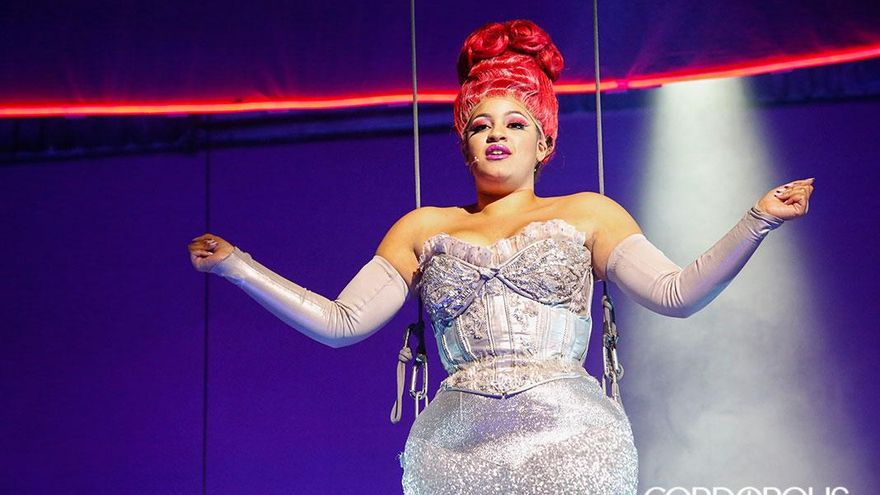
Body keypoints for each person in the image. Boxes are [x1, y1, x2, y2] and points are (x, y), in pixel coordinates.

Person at [188, 19, 814, 495]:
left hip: (572, 441)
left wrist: (758, 219)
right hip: (454, 449)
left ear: (544, 142)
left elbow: (676, 294)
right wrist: (237, 265)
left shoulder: (589, 213)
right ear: (464, 145)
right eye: (480, 125)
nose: (496, 134)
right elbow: (341, 322)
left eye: (515, 123)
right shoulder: (423, 228)